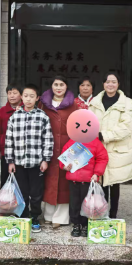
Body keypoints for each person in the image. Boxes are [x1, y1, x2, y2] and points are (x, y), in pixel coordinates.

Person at [6, 84, 54, 233]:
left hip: (36, 163)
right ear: (21, 97)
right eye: (25, 96)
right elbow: (9, 140)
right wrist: (10, 161)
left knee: (36, 193)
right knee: (21, 192)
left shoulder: (43, 117)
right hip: (19, 163)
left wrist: (46, 159)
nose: (28, 99)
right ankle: (23, 216)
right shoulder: (15, 116)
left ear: (37, 98)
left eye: (32, 96)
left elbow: (48, 140)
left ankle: (34, 217)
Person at [89, 72, 132, 219]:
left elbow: (127, 126)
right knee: (100, 182)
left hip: (117, 148)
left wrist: (104, 135)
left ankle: (113, 215)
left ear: (118, 84)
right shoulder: (94, 103)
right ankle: (101, 214)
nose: (110, 84)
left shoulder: (127, 103)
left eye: (114, 82)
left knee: (115, 184)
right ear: (103, 84)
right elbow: (89, 123)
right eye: (108, 81)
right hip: (99, 148)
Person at [39, 75, 78, 228]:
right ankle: (48, 215)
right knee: (49, 180)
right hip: (48, 147)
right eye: (56, 84)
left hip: (67, 147)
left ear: (66, 86)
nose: (59, 88)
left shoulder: (73, 105)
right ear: (51, 86)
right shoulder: (43, 104)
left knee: (64, 181)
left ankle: (61, 217)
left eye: (62, 84)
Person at [61, 137, 108, 238]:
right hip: (73, 180)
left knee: (88, 204)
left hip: (88, 180)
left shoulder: (96, 143)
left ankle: (86, 224)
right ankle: (76, 224)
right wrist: (64, 166)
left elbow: (102, 158)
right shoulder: (72, 141)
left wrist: (97, 173)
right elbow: (64, 156)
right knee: (74, 203)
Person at [0, 82, 23, 188]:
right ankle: (4, 198)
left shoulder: (26, 110)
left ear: (21, 95)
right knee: (5, 179)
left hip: (22, 151)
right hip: (6, 151)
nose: (12, 96)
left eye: (15, 93)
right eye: (9, 93)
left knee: (21, 181)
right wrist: (0, 149)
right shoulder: (2, 111)